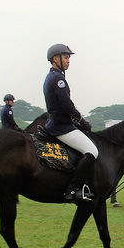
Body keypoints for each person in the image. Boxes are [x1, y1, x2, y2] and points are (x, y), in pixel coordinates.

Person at [43, 43, 98, 202]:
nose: (68, 61)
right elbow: (67, 105)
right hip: (62, 127)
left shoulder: (53, 76)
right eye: (66, 57)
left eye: (68, 58)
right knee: (92, 151)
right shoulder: (58, 79)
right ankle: (73, 189)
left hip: (61, 124)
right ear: (55, 59)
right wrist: (81, 120)